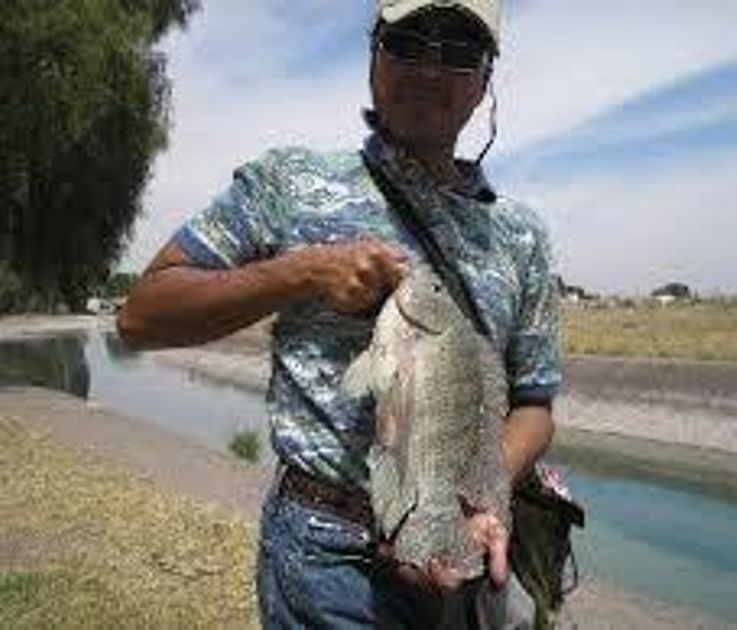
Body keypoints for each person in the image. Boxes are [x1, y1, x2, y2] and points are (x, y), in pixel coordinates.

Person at [118, 0, 561, 627]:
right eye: (407, 42)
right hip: (326, 555)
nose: (429, 69)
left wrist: (479, 499)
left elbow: (535, 404)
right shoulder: (288, 182)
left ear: (486, 79)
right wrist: (300, 272)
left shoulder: (521, 236)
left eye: (459, 52)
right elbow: (140, 316)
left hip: (462, 546)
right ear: (374, 57)